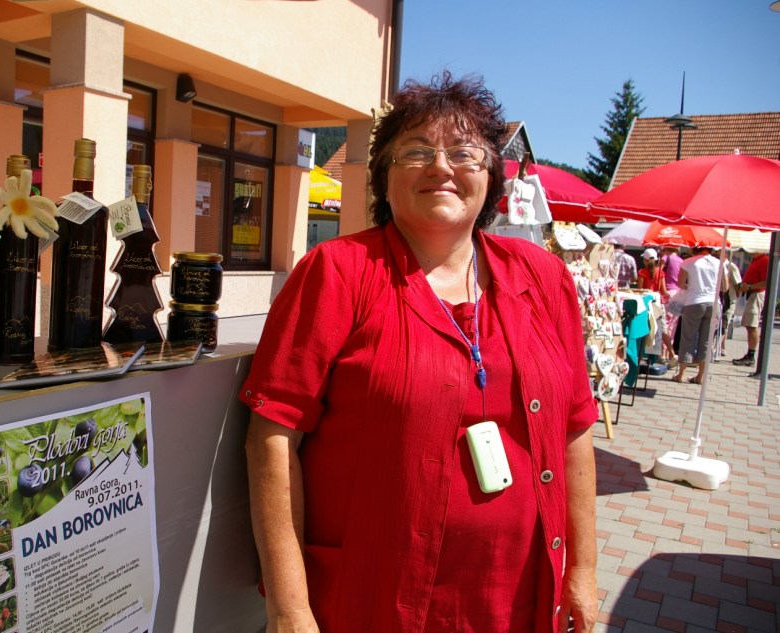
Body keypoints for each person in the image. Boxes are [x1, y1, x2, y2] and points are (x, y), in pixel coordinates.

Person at [243, 71, 598, 633]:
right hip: (375, 601)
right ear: (383, 179)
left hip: (518, 596)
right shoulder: (337, 272)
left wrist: (583, 569)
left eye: (464, 153)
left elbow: (575, 429)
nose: (441, 167)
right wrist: (289, 608)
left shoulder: (543, 277)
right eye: (415, 151)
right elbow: (272, 436)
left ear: (491, 178)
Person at [672, 246, 726, 384]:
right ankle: (700, 376)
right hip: (714, 303)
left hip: (694, 302)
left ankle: (681, 374)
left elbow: (680, 283)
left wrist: (692, 287)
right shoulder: (719, 263)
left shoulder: (689, 262)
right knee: (707, 340)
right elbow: (725, 287)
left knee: (687, 338)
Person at [636, 248, 675, 361]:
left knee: (644, 328)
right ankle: (672, 353)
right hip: (658, 303)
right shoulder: (661, 273)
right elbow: (663, 291)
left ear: (644, 260)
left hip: (645, 303)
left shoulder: (642, 272)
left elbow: (640, 290)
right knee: (662, 329)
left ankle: (641, 356)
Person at [732, 252, 769, 367]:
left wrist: (750, 286)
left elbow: (766, 282)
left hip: (756, 295)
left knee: (752, 325)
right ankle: (750, 355)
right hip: (751, 295)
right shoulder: (756, 260)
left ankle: (751, 356)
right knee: (749, 325)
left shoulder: (764, 260)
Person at [719, 254, 743, 356]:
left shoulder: (731, 267)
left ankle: (719, 347)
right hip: (718, 299)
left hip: (729, 300)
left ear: (725, 254)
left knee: (724, 323)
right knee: (720, 324)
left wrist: (736, 297)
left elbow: (738, 284)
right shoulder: (716, 264)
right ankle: (721, 346)